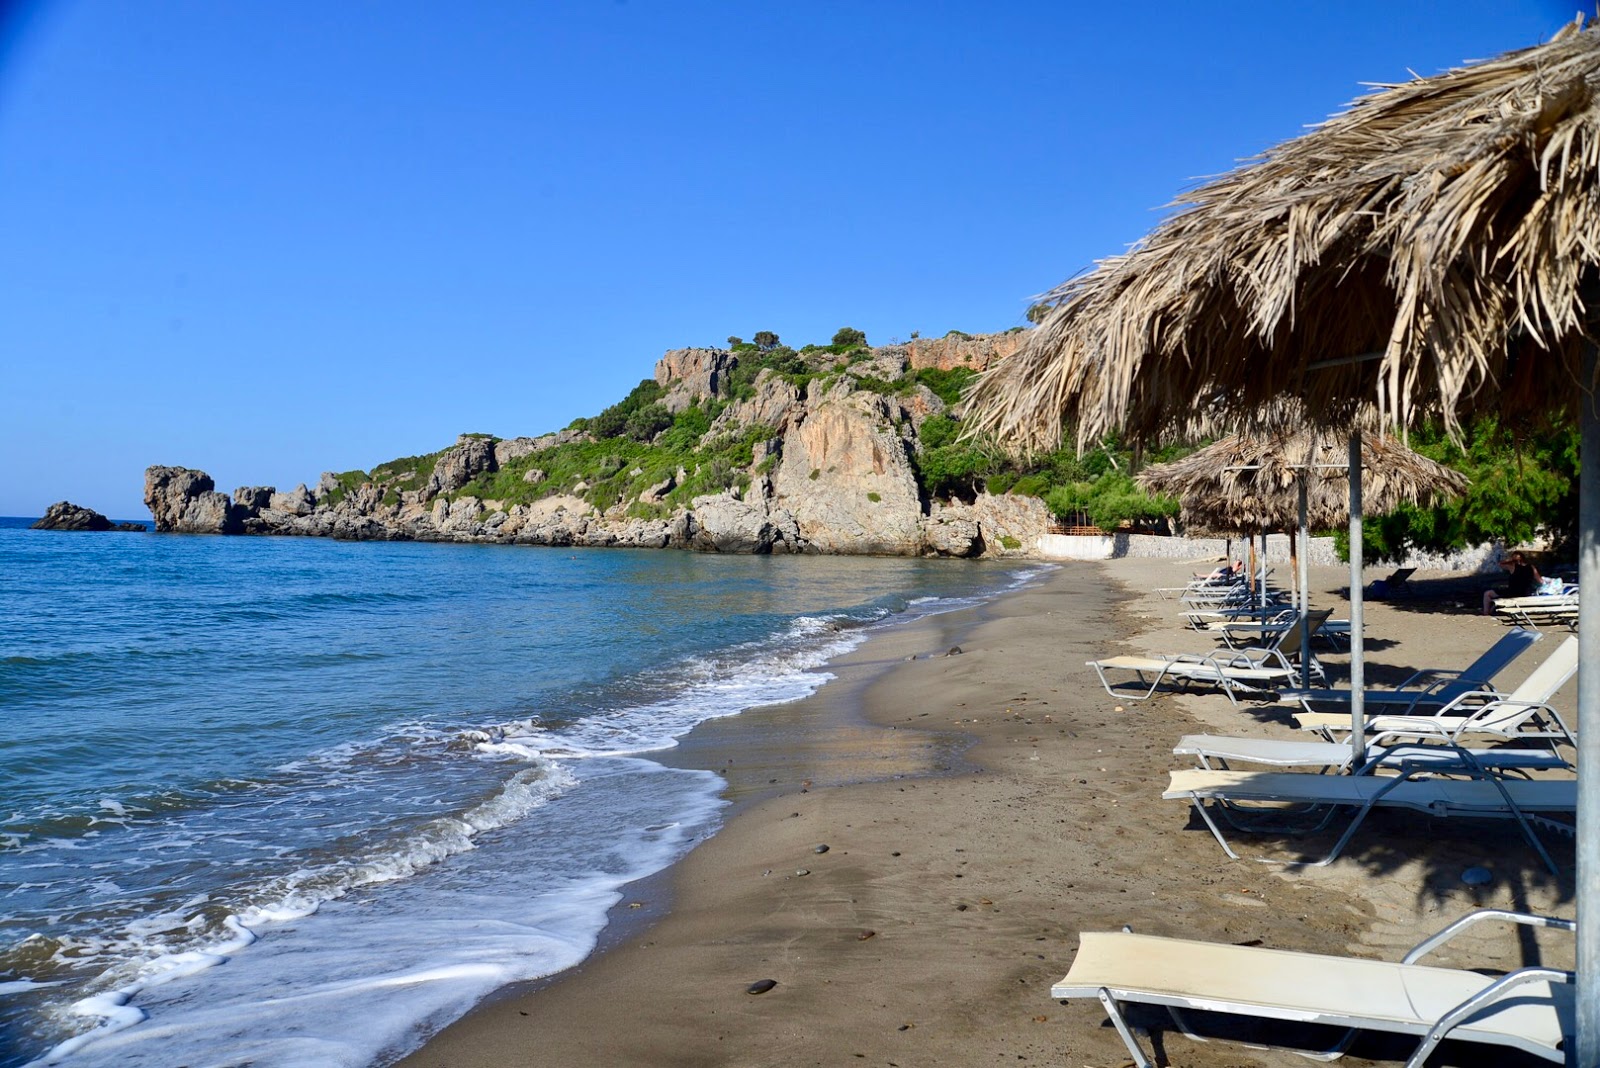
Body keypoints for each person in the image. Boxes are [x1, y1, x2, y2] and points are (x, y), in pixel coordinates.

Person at [1483, 550, 1541, 615]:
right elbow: (1540, 581)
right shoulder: (1531, 567)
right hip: (1526, 593)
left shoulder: (1512, 567)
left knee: (1487, 593)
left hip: (1512, 593)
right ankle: (1492, 609)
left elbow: (1500, 564)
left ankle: (1486, 613)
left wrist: (1510, 560)